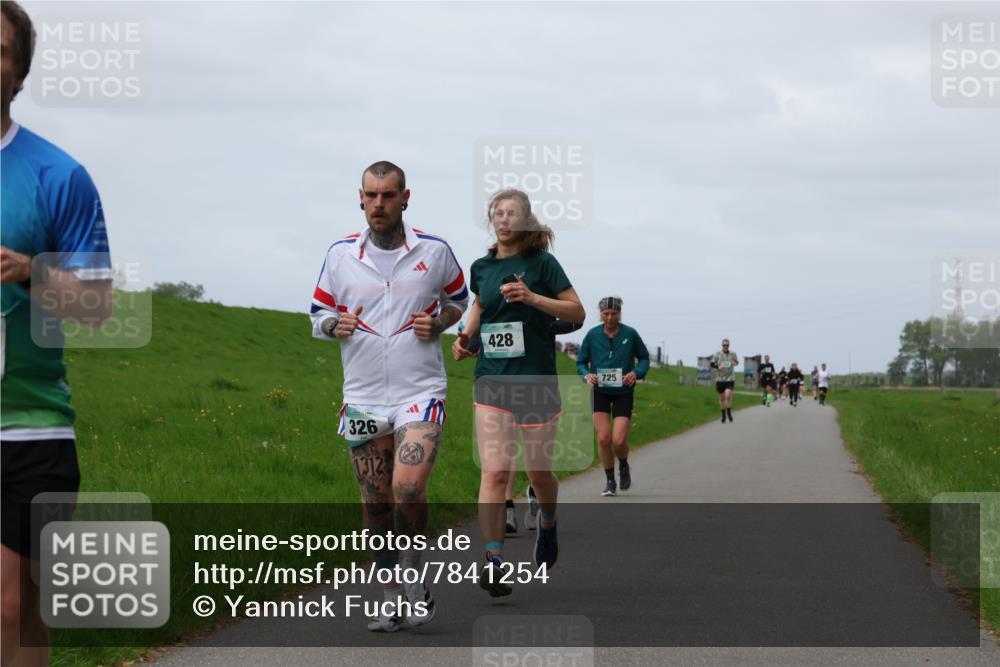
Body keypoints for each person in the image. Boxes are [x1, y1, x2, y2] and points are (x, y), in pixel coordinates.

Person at [310, 160, 468, 632]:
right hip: (363, 395)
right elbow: (318, 314)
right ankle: (390, 597)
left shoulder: (435, 251)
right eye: (371, 195)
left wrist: (438, 322)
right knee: (375, 501)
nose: (378, 204)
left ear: (405, 198)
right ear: (360, 198)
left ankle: (414, 579)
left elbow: (458, 301)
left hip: (419, 390)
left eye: (388, 195)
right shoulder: (340, 255)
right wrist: (333, 325)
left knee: (408, 488)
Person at [2, 3, 114, 663]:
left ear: (18, 73)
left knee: (14, 606)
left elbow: (97, 306)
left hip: (30, 425)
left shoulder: (59, 175)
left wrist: (30, 271)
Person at [453, 189, 584, 597]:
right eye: (498, 213)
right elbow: (480, 305)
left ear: (525, 220)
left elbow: (577, 312)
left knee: (538, 472)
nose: (504, 219)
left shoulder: (542, 264)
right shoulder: (482, 267)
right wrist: (466, 338)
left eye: (512, 213)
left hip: (536, 380)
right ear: (491, 219)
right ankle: (494, 560)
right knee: (495, 471)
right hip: (492, 379)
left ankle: (548, 520)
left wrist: (532, 298)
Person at [576, 296, 650, 496]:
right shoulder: (592, 335)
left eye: (614, 314)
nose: (609, 318)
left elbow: (644, 358)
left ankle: (623, 464)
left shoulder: (630, 334)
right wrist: (586, 374)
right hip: (599, 391)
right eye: (606, 314)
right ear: (600, 314)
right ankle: (610, 481)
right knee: (603, 439)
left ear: (619, 314)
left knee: (618, 440)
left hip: (623, 392)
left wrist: (636, 373)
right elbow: (581, 362)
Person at [711, 339, 739, 423]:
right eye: (724, 345)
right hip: (720, 379)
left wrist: (734, 363)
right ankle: (723, 414)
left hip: (730, 378)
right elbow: (712, 364)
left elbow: (737, 363)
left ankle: (729, 412)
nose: (726, 346)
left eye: (727, 345)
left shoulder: (733, 354)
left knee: (728, 395)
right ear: (722, 345)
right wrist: (717, 367)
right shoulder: (717, 354)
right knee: (722, 398)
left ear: (729, 346)